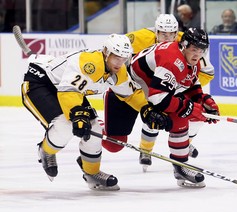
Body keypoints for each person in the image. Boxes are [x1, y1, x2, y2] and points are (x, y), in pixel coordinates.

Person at [21, 33, 170, 191]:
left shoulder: (118, 71)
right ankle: (46, 151)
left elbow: (131, 94)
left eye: (123, 58)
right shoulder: (90, 64)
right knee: (65, 125)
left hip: (70, 91)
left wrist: (145, 108)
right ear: (106, 52)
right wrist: (77, 113)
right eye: (116, 57)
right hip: (41, 84)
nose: (120, 63)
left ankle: (91, 173)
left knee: (95, 129)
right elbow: (68, 90)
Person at [103, 28, 220, 188]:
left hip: (150, 92)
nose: (197, 54)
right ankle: (98, 126)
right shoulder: (171, 59)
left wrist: (203, 99)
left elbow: (189, 82)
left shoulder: (191, 59)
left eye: (201, 50)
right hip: (126, 92)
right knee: (114, 145)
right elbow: (157, 98)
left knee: (180, 116)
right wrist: (191, 108)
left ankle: (181, 167)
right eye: (194, 49)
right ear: (184, 45)